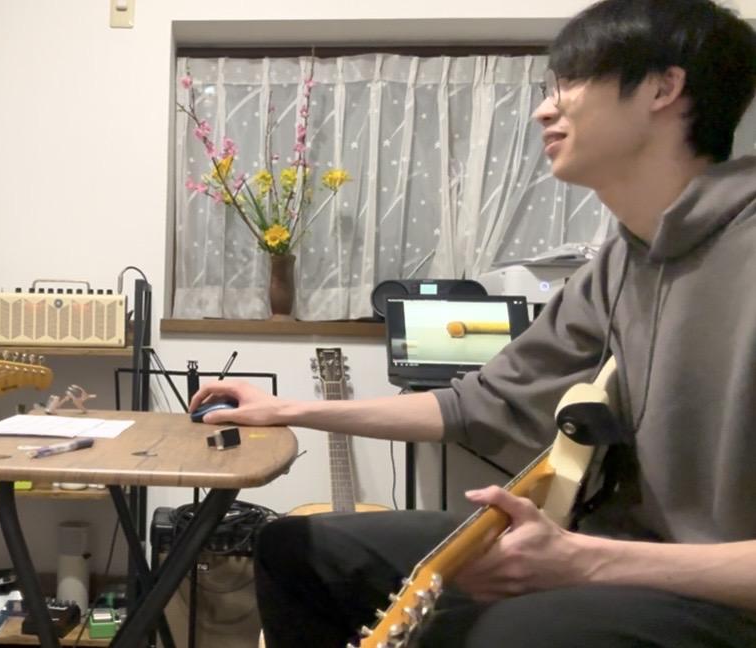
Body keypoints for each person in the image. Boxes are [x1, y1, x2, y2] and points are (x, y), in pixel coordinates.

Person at [190, 1, 756, 646]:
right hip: (609, 551)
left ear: (663, 88)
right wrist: (288, 409)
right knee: (299, 550)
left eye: (571, 83)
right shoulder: (619, 264)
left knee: (505, 633)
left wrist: (586, 561)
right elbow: (477, 403)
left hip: (721, 595)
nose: (545, 110)